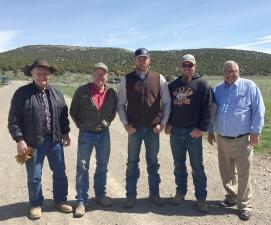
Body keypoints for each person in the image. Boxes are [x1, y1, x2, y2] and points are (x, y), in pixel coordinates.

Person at [8, 59, 73, 219]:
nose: (42, 75)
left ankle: (60, 200)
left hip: (55, 140)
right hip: (32, 143)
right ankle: (36, 204)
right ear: (32, 73)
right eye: (39, 72)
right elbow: (13, 120)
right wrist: (19, 140)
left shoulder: (56, 92)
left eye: (45, 72)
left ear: (49, 74)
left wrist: (65, 133)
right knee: (34, 176)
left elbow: (63, 116)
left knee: (59, 173)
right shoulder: (22, 93)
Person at [207, 60, 265, 221]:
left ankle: (244, 205)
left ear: (239, 71)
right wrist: (211, 130)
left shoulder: (249, 86)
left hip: (243, 138)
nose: (231, 74)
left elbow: (258, 110)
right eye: (228, 71)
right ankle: (231, 197)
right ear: (223, 73)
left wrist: (256, 132)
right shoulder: (217, 89)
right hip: (222, 139)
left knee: (244, 173)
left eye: (235, 71)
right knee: (226, 171)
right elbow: (212, 111)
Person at [117, 48, 171, 208]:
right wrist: (126, 124)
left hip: (152, 129)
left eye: (145, 58)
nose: (142, 61)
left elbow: (167, 103)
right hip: (134, 128)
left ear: (149, 60)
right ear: (134, 60)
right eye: (139, 58)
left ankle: (154, 194)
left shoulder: (159, 78)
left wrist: (162, 123)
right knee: (132, 162)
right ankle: (130, 196)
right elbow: (120, 104)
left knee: (153, 162)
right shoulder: (126, 79)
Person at [164, 54, 213, 212]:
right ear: (180, 67)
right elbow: (167, 107)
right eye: (184, 65)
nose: (187, 68)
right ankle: (180, 192)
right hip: (176, 132)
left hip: (193, 132)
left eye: (190, 65)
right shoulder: (173, 85)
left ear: (195, 67)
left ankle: (201, 197)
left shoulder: (202, 84)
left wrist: (202, 128)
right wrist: (168, 123)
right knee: (179, 164)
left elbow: (209, 108)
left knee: (197, 166)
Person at [70, 62, 118, 217]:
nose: (99, 77)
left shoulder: (111, 93)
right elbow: (73, 111)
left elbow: (113, 111)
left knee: (102, 165)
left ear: (107, 76)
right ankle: (82, 201)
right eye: (97, 73)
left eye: (102, 74)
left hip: (104, 134)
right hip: (86, 133)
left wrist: (107, 122)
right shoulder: (82, 91)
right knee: (82, 167)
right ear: (92, 75)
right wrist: (81, 125)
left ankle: (100, 194)